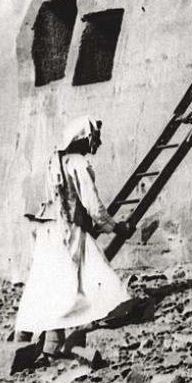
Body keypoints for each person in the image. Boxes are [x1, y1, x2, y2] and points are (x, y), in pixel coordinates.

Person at [15, 117, 132, 352]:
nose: (96, 142)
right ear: (83, 138)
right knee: (86, 279)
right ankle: (52, 344)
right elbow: (92, 204)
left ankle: (26, 339)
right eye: (94, 137)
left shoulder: (54, 161)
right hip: (67, 230)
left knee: (44, 283)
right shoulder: (78, 163)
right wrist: (115, 227)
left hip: (47, 230)